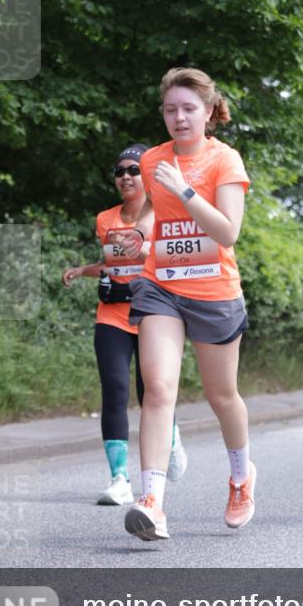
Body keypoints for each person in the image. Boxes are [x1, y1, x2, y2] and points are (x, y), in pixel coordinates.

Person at [115, 66, 254, 542]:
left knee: (221, 396)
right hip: (162, 286)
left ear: (209, 112)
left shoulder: (225, 161)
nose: (179, 117)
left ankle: (241, 477)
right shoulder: (154, 160)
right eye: (171, 109)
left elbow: (227, 232)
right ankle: (152, 502)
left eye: (189, 109)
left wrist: (185, 190)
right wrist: (140, 232)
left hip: (214, 291)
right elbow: (154, 206)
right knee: (157, 389)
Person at [61, 144, 187, 506]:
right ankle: (119, 478)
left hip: (153, 315)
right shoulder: (106, 219)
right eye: (120, 171)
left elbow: (172, 259)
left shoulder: (166, 215)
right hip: (113, 315)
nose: (126, 176)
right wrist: (84, 270)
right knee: (114, 390)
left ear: (148, 176)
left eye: (134, 170)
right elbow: (114, 263)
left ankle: (171, 436)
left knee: (152, 394)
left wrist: (138, 245)